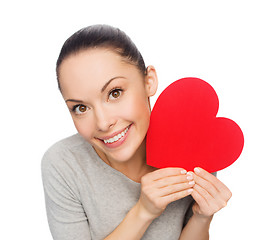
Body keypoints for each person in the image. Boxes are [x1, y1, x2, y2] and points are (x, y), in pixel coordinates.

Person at [41, 24, 232, 240]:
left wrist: (202, 217)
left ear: (148, 81)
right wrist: (144, 212)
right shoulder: (64, 163)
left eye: (115, 93)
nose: (103, 123)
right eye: (81, 108)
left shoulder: (192, 143)